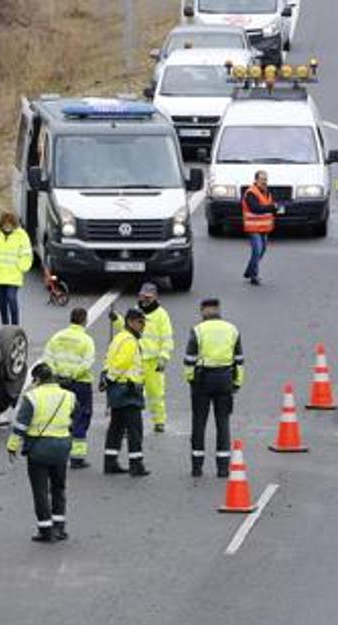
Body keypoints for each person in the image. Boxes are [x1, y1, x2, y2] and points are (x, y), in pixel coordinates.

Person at [8, 363, 76, 543]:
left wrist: (12, 447)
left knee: (40, 491)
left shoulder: (32, 397)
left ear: (37, 379)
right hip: (61, 448)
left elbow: (21, 426)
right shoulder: (69, 396)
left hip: (38, 450)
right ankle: (59, 527)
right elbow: (74, 418)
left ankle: (46, 530)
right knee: (58, 488)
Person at [184, 299, 244, 477]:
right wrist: (237, 382)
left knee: (199, 423)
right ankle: (223, 467)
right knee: (223, 423)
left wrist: (191, 379)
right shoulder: (232, 329)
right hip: (225, 379)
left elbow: (189, 359)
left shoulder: (198, 330)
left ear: (203, 311)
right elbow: (239, 359)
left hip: (202, 380)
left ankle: (197, 466)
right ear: (219, 310)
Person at [111, 283, 174, 433]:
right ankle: (130, 421)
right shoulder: (135, 310)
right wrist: (116, 319)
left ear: (155, 297)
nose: (144, 299)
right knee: (132, 393)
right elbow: (126, 328)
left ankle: (159, 421)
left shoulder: (161, 315)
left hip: (153, 362)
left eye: (148, 297)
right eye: (142, 296)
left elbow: (167, 339)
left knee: (156, 393)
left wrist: (163, 358)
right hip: (136, 360)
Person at [42, 307, 96, 469]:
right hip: (80, 384)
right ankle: (77, 458)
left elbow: (48, 357)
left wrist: (58, 374)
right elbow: (87, 363)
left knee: (59, 418)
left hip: (59, 383)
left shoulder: (57, 337)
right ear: (84, 320)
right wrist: (72, 375)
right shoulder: (86, 340)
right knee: (81, 418)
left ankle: (54, 455)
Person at [102, 307, 149, 476]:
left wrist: (106, 378)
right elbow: (122, 363)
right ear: (130, 322)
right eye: (140, 322)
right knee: (135, 429)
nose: (142, 326)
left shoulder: (119, 337)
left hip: (116, 390)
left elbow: (109, 359)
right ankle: (136, 464)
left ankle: (110, 462)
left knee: (116, 427)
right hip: (128, 390)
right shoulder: (130, 340)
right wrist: (111, 378)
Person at [0, 212, 33, 326]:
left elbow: (26, 253)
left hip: (13, 275)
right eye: (5, 224)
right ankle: (5, 325)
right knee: (2, 302)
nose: (7, 226)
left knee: (11, 298)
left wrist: (22, 266)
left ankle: (15, 325)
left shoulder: (21, 235)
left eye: (10, 224)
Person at [242, 170, 281, 285]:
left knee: (261, 251)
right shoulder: (251, 193)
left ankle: (249, 270)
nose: (264, 182)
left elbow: (269, 207)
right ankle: (254, 276)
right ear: (256, 180)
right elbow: (255, 208)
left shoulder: (267, 192)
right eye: (262, 179)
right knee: (257, 250)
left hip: (264, 228)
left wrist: (276, 209)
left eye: (265, 179)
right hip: (253, 228)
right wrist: (271, 207)